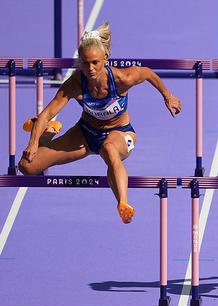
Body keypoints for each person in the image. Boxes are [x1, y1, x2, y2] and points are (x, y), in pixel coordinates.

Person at [18, 23, 182, 223]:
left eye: (95, 62)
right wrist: (32, 144)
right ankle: (46, 135)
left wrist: (168, 96)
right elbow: (46, 113)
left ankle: (123, 203)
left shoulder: (123, 78)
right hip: (85, 134)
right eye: (85, 63)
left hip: (120, 133)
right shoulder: (75, 84)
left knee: (109, 149)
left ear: (105, 58)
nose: (91, 68)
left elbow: (148, 73)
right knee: (27, 166)